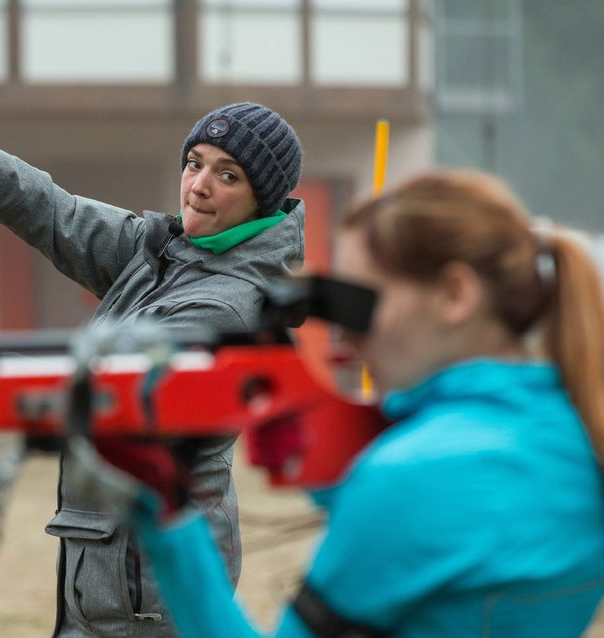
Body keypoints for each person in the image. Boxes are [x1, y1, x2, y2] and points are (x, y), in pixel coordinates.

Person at [92, 169, 604, 637]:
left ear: (455, 295)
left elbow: (415, 509)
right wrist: (330, 474)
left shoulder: (410, 477)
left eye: (361, 304)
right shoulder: (576, 428)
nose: (344, 343)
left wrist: (166, 513)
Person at [0, 102, 306, 637]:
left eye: (228, 175)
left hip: (146, 582)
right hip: (115, 568)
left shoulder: (229, 306)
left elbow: (95, 392)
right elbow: (58, 215)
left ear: (261, 201)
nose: (199, 186)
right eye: (195, 162)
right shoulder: (169, 251)